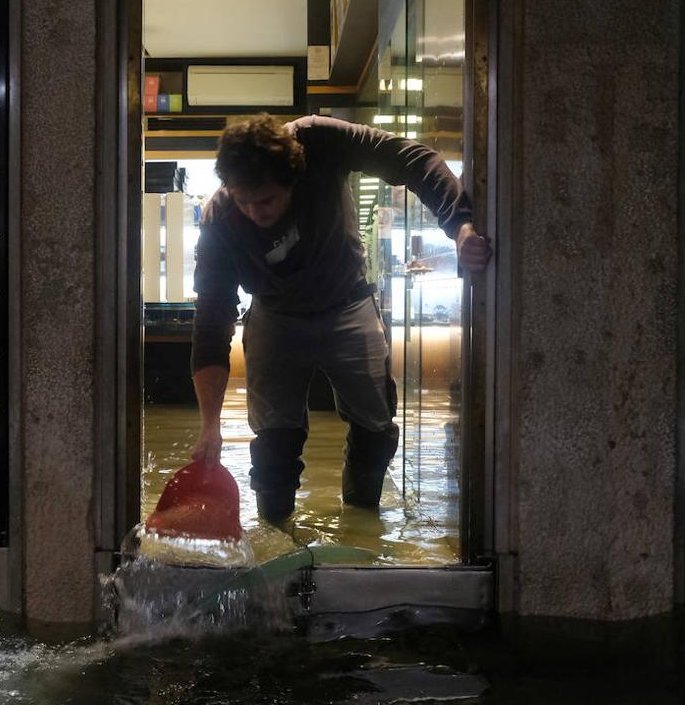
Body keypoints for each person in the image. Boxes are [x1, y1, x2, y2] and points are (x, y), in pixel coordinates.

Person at [188, 114, 491, 523]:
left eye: (266, 200)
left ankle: (361, 523)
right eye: (244, 201)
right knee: (273, 443)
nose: (254, 211)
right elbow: (211, 318)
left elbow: (412, 160)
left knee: (377, 428)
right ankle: (276, 532)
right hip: (274, 316)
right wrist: (210, 425)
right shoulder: (221, 220)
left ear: (294, 178)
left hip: (347, 303)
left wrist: (460, 229)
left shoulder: (320, 141)